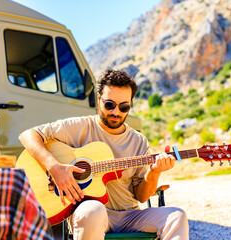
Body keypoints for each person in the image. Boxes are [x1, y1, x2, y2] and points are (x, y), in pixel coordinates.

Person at [19, 69, 189, 240]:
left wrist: (155, 171)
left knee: (177, 216)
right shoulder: (79, 126)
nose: (116, 112)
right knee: (93, 209)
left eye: (124, 107)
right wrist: (55, 168)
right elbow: (28, 135)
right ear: (99, 100)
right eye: (110, 105)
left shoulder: (138, 141)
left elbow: (142, 196)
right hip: (93, 213)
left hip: (130, 216)